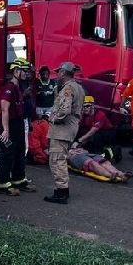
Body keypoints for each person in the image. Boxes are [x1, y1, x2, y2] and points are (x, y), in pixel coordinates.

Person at [44, 62, 85, 204]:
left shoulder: (68, 89)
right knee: (60, 158)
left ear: (63, 72)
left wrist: (53, 119)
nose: (56, 75)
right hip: (71, 128)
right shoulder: (78, 87)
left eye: (58, 72)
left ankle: (61, 192)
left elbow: (65, 109)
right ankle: (62, 190)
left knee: (57, 160)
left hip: (62, 130)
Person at [0, 59, 37, 195]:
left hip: (18, 123)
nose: (26, 73)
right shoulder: (9, 88)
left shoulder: (18, 87)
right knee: (7, 154)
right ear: (16, 71)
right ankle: (2, 183)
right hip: (9, 124)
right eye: (24, 70)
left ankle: (18, 179)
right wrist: (6, 130)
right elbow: (4, 109)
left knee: (20, 151)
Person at [76, 95, 117, 160]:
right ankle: (91, 150)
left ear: (93, 106)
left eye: (87, 106)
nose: (85, 108)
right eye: (83, 106)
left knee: (96, 136)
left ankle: (102, 154)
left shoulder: (100, 114)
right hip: (97, 132)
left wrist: (80, 140)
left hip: (108, 133)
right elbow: (78, 126)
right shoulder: (84, 115)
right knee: (82, 132)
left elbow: (93, 131)